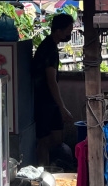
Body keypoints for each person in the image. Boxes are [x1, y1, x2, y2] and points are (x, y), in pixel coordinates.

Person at [32, 13, 76, 165]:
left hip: (49, 100)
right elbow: (51, 80)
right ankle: (42, 170)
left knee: (57, 139)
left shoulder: (49, 46)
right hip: (44, 101)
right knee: (44, 140)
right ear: (59, 31)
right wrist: (62, 107)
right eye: (68, 31)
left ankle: (46, 166)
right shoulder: (49, 48)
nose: (69, 35)